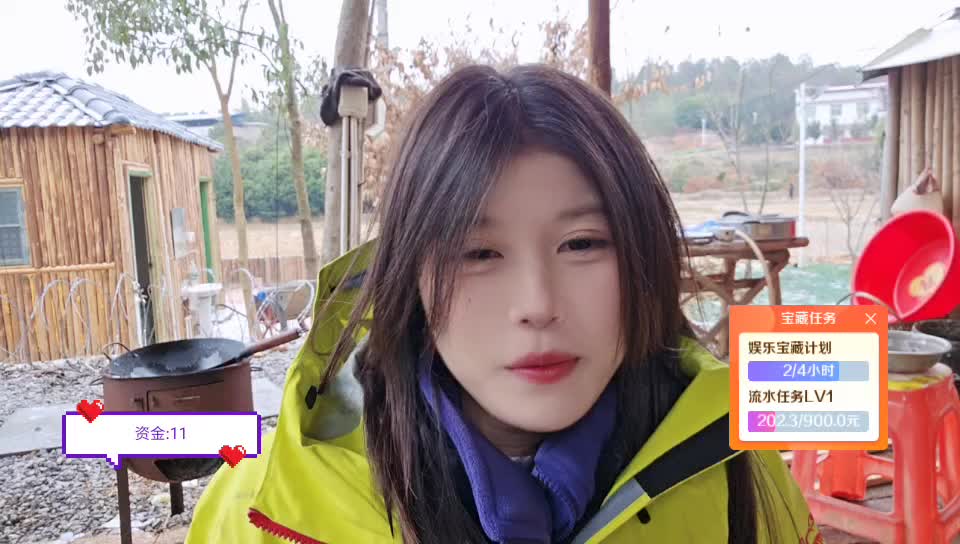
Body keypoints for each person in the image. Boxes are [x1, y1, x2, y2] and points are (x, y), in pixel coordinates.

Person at [187, 64, 820, 544]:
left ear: (642, 256)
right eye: (479, 253)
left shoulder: (742, 475)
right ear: (410, 276)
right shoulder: (262, 510)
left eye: (582, 243)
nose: (537, 305)